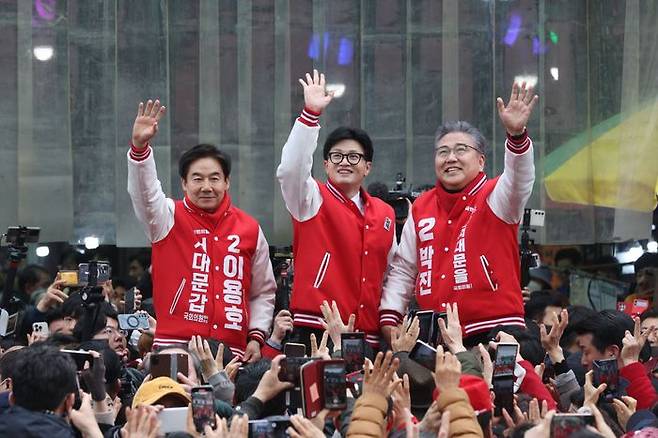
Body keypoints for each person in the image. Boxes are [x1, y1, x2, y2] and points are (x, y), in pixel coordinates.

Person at [380, 82, 538, 347]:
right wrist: (390, 317)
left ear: (481, 161)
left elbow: (520, 179)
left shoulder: (496, 195)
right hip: (436, 335)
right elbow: (404, 270)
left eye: (461, 150)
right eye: (443, 152)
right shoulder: (421, 208)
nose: (450, 158)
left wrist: (516, 135)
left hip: (494, 331)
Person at [127, 99, 276, 361]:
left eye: (214, 178)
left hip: (232, 351)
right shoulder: (166, 217)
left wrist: (256, 335)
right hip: (176, 348)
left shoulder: (250, 228)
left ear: (227, 182)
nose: (206, 186)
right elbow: (145, 195)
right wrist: (140, 150)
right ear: (184, 183)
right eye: (197, 178)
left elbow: (263, 291)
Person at [277, 70, 397, 349]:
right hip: (315, 329)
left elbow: (393, 273)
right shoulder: (310, 198)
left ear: (368, 167)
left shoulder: (385, 214)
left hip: (368, 336)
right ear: (326, 164)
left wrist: (391, 319)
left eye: (354, 156)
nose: (345, 162)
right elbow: (290, 170)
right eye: (337, 156)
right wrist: (310, 115)